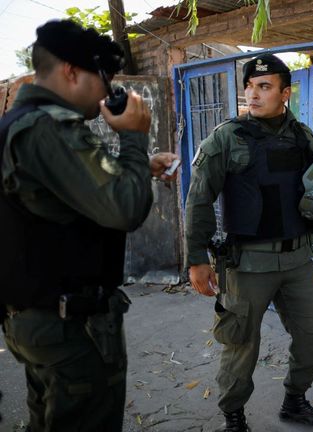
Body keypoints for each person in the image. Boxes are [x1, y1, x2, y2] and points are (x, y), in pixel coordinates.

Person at [0, 19, 178, 432]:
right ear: (71, 71)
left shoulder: (18, 123)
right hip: (68, 328)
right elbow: (124, 209)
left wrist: (137, 168)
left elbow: (57, 197)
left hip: (37, 318)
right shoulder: (49, 128)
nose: (106, 93)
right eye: (104, 79)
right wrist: (135, 139)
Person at [185, 52, 313, 431]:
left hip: (297, 260)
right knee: (241, 345)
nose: (253, 94)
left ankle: (295, 400)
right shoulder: (225, 138)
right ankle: (234, 417)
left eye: (264, 87)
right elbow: (198, 200)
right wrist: (197, 258)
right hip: (247, 264)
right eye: (249, 87)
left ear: (285, 93)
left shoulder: (302, 136)